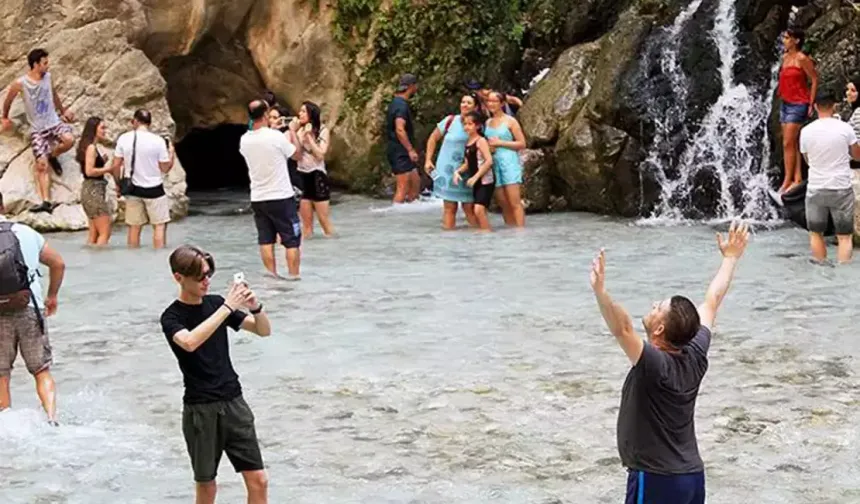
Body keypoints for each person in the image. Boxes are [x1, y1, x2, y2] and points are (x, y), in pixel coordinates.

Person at [590, 221, 751, 504]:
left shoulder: (655, 364)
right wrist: (730, 258)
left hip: (656, 478)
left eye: (658, 308)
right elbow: (712, 301)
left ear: (660, 330)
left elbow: (623, 329)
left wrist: (601, 293)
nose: (653, 305)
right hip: (691, 478)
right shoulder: (695, 353)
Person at [160, 245, 271, 504]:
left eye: (209, 274)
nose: (206, 281)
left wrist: (255, 307)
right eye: (200, 277)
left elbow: (262, 330)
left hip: (234, 402)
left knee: (259, 480)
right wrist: (228, 307)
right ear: (179, 277)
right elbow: (189, 342)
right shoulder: (171, 316)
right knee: (207, 487)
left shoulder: (216, 303)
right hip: (201, 409)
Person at [0, 191, 65, 425]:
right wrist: (52, 296)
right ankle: (51, 418)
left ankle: (5, 426)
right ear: (3, 205)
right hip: (29, 307)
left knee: (1, 374)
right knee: (41, 370)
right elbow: (58, 263)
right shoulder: (25, 232)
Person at [1, 48, 75, 213]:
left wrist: (63, 111)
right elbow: (8, 100)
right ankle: (46, 202)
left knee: (69, 140)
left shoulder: (48, 77)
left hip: (53, 123)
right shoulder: (21, 83)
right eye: (45, 63)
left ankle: (52, 155)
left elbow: (53, 94)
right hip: (38, 129)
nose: (47, 66)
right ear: (35, 64)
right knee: (41, 165)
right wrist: (4, 117)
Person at [239, 99, 303, 279]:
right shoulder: (275, 137)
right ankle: (294, 277)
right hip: (281, 195)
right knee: (291, 241)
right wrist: (292, 131)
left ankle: (271, 276)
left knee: (266, 240)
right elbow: (297, 155)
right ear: (266, 114)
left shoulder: (244, 140)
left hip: (258, 197)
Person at [799, 89, 860, 264]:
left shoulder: (806, 131)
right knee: (844, 236)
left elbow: (807, 159)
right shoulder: (845, 128)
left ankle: (821, 269)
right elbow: (857, 156)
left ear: (816, 107)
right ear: (834, 106)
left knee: (816, 233)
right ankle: (842, 273)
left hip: (816, 188)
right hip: (841, 187)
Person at [110, 109, 176, 249]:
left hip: (133, 189)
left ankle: (132, 260)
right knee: (159, 226)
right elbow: (165, 168)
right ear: (150, 123)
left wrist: (118, 184)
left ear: (135, 121)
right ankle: (158, 256)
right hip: (155, 189)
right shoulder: (158, 141)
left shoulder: (124, 138)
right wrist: (171, 153)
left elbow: (115, 165)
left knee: (134, 227)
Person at [424, 94, 482, 229]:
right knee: (449, 208)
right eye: (463, 102)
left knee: (469, 208)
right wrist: (428, 160)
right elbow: (432, 139)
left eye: (469, 103)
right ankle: (449, 241)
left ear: (476, 107)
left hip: (466, 170)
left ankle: (479, 240)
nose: (464, 105)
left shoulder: (478, 125)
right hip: (446, 169)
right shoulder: (450, 120)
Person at [777, 28, 818, 194]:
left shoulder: (802, 59)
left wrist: (810, 102)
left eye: (787, 38)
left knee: (788, 142)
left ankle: (786, 182)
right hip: (785, 103)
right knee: (790, 143)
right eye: (784, 37)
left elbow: (814, 79)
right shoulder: (785, 58)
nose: (784, 41)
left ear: (796, 41)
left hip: (798, 103)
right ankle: (797, 178)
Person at [290, 101, 335, 237]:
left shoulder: (322, 130)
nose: (300, 114)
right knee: (306, 226)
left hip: (317, 176)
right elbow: (294, 156)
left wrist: (309, 138)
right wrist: (294, 133)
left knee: (324, 221)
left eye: (304, 111)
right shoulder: (298, 131)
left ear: (311, 114)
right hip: (303, 176)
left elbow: (320, 155)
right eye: (300, 111)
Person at [484, 91, 527, 227]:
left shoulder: (510, 121)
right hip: (494, 163)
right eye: (489, 101)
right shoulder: (488, 122)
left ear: (502, 103)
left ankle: (520, 232)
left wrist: (500, 143)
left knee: (514, 201)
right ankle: (510, 232)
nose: (491, 104)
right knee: (503, 202)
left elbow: (522, 144)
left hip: (509, 162)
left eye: (494, 101)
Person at [452, 110, 494, 231]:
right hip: (476, 181)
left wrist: (476, 177)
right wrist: (457, 172)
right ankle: (485, 234)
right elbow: (467, 163)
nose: (467, 127)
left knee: (478, 210)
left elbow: (489, 161)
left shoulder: (481, 141)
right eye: (465, 124)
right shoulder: (468, 142)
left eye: (470, 124)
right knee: (480, 211)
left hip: (486, 180)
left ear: (478, 126)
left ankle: (488, 234)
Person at [77, 117, 114, 246]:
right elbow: (89, 171)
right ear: (94, 130)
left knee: (94, 234)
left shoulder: (87, 146)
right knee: (105, 232)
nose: (105, 131)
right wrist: (109, 169)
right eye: (102, 128)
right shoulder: (91, 148)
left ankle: (91, 262)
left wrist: (102, 161)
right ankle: (102, 262)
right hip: (94, 192)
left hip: (88, 191)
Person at [386, 74, 421, 203]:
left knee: (415, 182)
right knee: (403, 188)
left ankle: (408, 219)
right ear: (411, 86)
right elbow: (400, 129)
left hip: (400, 150)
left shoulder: (396, 102)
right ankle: (394, 218)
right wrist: (410, 149)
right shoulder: (401, 105)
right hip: (399, 151)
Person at [845, 81, 860, 169]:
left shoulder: (858, 112)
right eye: (847, 89)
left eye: (853, 90)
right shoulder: (853, 110)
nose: (848, 93)